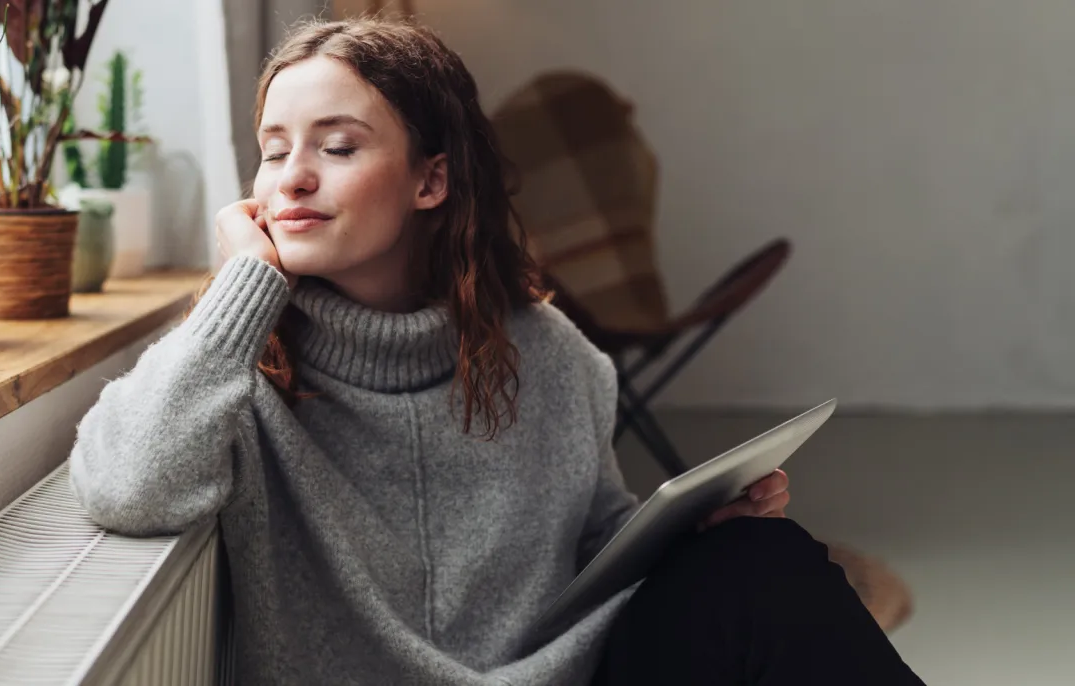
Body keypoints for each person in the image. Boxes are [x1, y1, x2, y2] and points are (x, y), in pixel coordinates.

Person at [69, 18, 926, 686]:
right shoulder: (234, 364)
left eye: (336, 147)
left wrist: (694, 533)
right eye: (273, 150)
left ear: (431, 180)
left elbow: (592, 541)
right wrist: (243, 288)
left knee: (761, 562)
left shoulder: (548, 353)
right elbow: (126, 488)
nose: (292, 176)